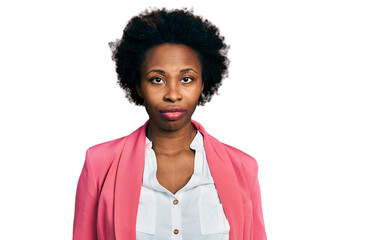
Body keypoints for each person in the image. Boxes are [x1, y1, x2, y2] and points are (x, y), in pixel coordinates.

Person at [73, 8, 267, 240]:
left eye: (187, 79)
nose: (173, 95)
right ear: (137, 85)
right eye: (157, 80)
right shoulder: (100, 164)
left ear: (203, 83)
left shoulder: (243, 167)